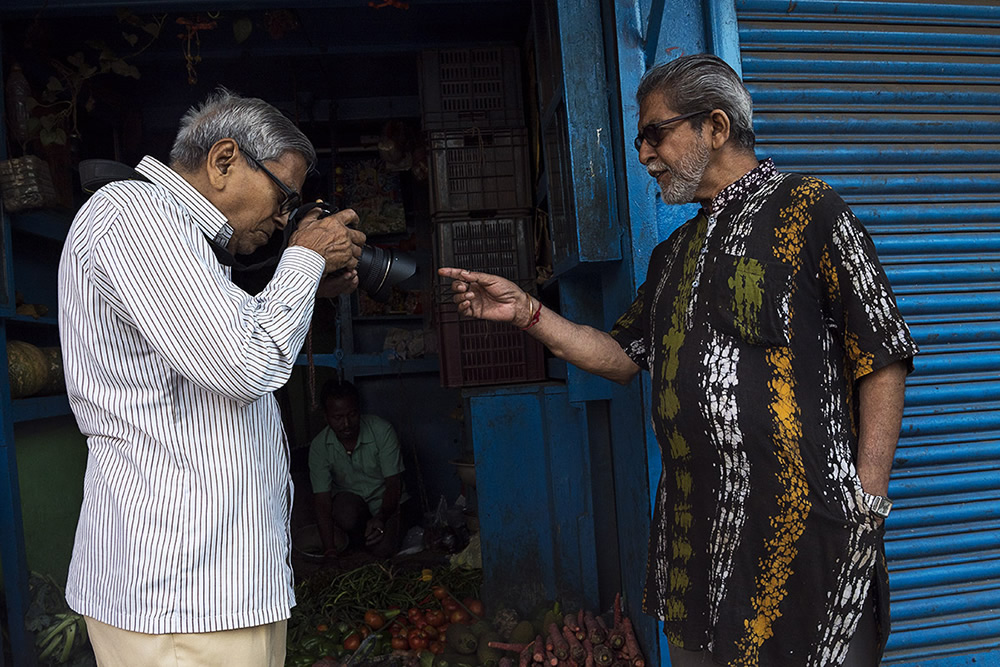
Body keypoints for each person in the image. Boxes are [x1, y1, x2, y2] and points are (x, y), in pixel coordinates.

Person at [439, 54, 918, 667]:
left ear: (714, 127)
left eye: (654, 132)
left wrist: (866, 500)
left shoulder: (811, 211)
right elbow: (619, 357)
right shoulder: (672, 256)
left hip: (805, 536)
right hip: (696, 542)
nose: (643, 154)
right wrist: (529, 312)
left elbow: (881, 354)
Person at [57, 88, 366, 667]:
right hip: (181, 596)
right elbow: (245, 364)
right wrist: (302, 259)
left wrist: (306, 283)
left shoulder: (182, 242)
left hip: (212, 592)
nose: (282, 220)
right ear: (224, 160)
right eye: (284, 197)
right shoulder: (133, 215)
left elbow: (220, 339)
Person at [308, 379, 411, 560]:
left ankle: (371, 540)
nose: (346, 424)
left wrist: (381, 517)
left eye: (352, 414)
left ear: (359, 410)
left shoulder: (382, 431)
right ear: (326, 417)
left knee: (383, 552)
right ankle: (359, 541)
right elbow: (322, 501)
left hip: (389, 507)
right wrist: (329, 549)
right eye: (338, 418)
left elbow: (394, 484)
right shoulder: (319, 446)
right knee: (345, 512)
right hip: (353, 509)